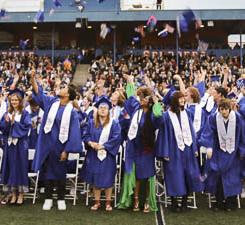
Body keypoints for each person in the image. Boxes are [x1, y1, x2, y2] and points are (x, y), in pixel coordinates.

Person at [30, 70, 83, 211]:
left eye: (64, 89)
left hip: (60, 147)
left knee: (60, 173)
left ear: (68, 95)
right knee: (46, 172)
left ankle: (60, 198)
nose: (61, 89)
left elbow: (74, 133)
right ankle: (48, 198)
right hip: (47, 145)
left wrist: (66, 150)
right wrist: (32, 78)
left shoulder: (71, 112)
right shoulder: (51, 103)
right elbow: (38, 93)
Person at [158, 89, 204, 213]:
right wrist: (165, 153)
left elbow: (192, 132)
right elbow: (163, 135)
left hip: (188, 150)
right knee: (174, 175)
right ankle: (174, 202)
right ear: (174, 101)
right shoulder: (167, 116)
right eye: (180, 98)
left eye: (183, 98)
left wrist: (194, 148)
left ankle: (184, 201)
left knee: (188, 175)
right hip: (173, 150)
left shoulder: (188, 113)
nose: (183, 100)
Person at [118, 78, 159, 213]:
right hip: (134, 148)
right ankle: (135, 199)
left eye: (145, 98)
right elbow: (130, 97)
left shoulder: (152, 113)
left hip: (146, 148)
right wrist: (129, 81)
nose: (142, 100)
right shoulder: (135, 109)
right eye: (140, 97)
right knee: (134, 175)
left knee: (146, 176)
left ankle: (146, 200)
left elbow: (159, 116)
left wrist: (155, 100)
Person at [201, 98, 245, 212]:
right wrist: (208, 148)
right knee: (218, 177)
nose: (223, 112)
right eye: (221, 109)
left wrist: (242, 151)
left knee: (233, 178)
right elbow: (208, 133)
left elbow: (243, 135)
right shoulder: (213, 118)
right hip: (218, 152)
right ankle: (218, 202)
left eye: (225, 109)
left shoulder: (238, 118)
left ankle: (231, 203)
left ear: (230, 109)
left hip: (234, 154)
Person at [81, 96, 122, 211]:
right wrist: (92, 144)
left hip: (108, 155)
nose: (103, 109)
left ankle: (108, 203)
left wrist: (104, 146)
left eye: (105, 108)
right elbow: (85, 135)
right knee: (95, 178)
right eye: (100, 107)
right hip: (94, 154)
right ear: (97, 110)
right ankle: (97, 202)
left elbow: (116, 138)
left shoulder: (114, 124)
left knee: (108, 179)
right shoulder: (90, 123)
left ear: (109, 110)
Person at [0, 89, 31, 205]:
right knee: (11, 167)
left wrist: (14, 123)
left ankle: (21, 195)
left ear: (20, 101)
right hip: (10, 146)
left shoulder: (25, 113)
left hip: (20, 146)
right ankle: (13, 194)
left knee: (20, 168)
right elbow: (2, 129)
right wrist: (7, 123)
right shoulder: (7, 113)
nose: (14, 102)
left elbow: (26, 127)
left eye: (16, 100)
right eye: (12, 100)